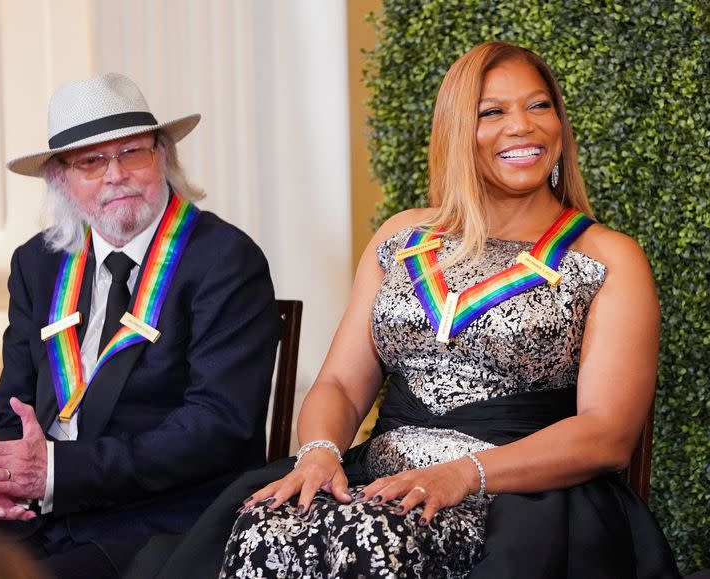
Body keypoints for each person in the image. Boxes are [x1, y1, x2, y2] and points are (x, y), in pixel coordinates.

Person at [152, 41, 680, 578]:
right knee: (269, 527)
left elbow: (607, 435)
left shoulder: (608, 256)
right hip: (379, 479)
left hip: (521, 496)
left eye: (538, 106)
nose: (522, 126)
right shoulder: (401, 237)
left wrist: (464, 474)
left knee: (374, 540)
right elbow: (338, 381)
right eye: (492, 111)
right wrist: (317, 451)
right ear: (455, 132)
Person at [0, 73, 281, 578]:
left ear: (163, 156)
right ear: (61, 179)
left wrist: (56, 471)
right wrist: (7, 476)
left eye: (132, 152)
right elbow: (14, 405)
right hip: (43, 517)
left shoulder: (225, 259)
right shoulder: (37, 264)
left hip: (161, 523)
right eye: (91, 161)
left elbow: (217, 426)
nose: (115, 174)